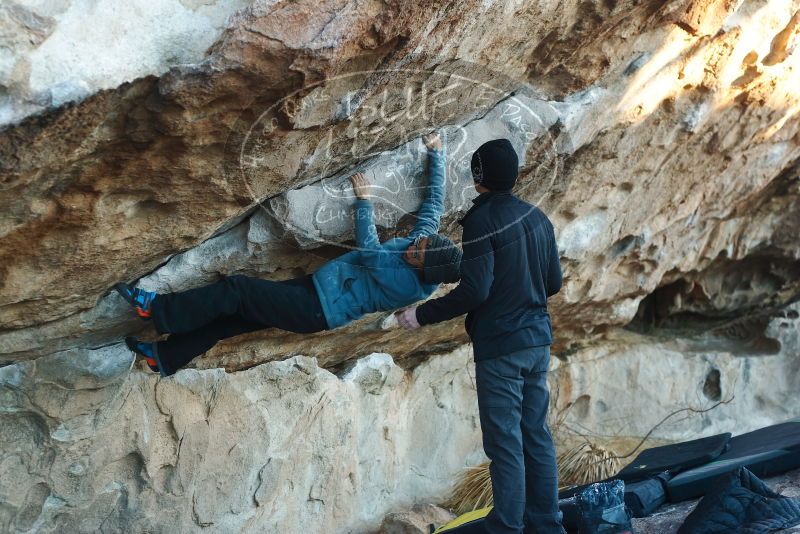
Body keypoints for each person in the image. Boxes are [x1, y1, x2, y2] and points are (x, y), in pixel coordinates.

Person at [117, 132, 462, 377]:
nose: (417, 242)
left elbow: (370, 251)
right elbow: (433, 204)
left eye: (420, 249)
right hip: (314, 292)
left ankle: (158, 309)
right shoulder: (426, 250)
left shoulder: (406, 284)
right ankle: (164, 357)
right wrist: (437, 152)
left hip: (315, 309)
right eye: (423, 242)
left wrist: (365, 200)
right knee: (232, 320)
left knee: (237, 290)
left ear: (423, 269)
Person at [395, 139, 564, 534]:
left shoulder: (481, 221)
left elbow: (475, 291)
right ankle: (547, 523)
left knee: (505, 442)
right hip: (537, 342)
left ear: (478, 178)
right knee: (536, 435)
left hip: (501, 346)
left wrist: (421, 314)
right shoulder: (539, 218)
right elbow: (552, 282)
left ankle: (506, 525)